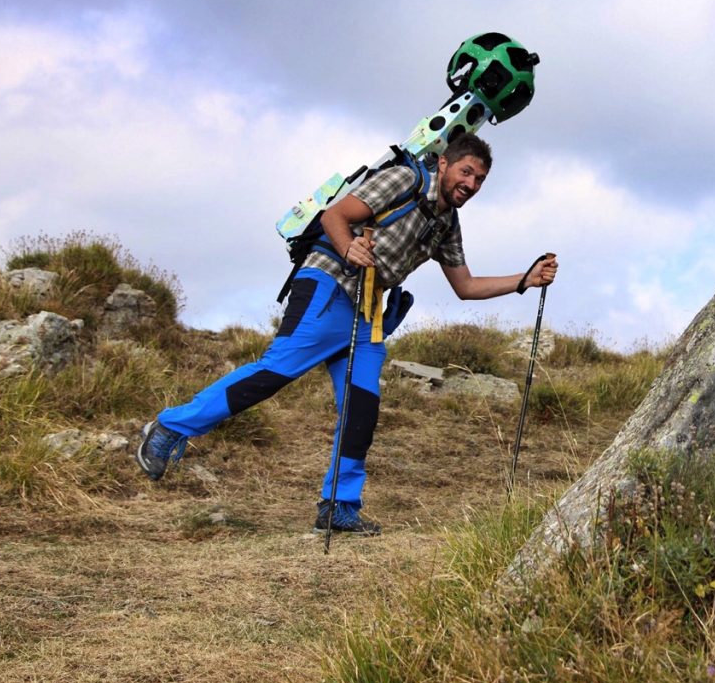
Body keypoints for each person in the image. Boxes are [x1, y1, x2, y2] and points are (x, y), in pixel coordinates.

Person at [135, 134, 558, 534]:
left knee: (362, 407)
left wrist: (525, 279)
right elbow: (335, 215)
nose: (471, 183)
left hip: (368, 312)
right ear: (444, 163)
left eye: (480, 179)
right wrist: (349, 246)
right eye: (466, 172)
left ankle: (339, 506)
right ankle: (171, 427)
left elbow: (465, 286)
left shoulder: (448, 224)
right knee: (274, 373)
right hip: (328, 285)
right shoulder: (405, 179)